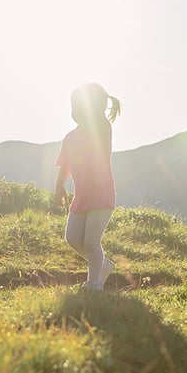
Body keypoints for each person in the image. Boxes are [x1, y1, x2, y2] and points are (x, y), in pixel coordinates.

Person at [55, 83, 121, 290]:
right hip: (81, 196)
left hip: (101, 194)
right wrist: (59, 187)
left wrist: (97, 101)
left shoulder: (101, 128)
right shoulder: (69, 138)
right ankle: (102, 264)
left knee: (92, 241)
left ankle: (94, 284)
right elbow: (64, 165)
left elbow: (97, 119)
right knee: (73, 238)